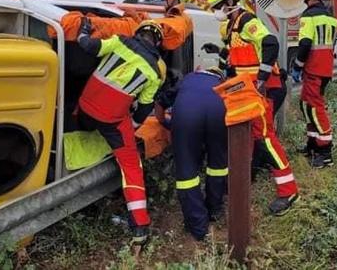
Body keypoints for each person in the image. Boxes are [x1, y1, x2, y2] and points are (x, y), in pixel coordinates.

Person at [207, 0, 299, 215]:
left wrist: (261, 77)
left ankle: (289, 190)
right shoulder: (230, 27)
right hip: (248, 90)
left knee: (265, 138)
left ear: (230, 3)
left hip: (266, 89)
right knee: (249, 135)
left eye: (218, 6)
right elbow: (237, 57)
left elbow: (270, 43)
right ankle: (246, 177)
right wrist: (219, 55)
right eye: (214, 7)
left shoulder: (248, 21)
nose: (216, 10)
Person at [76, 18, 166, 243]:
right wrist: (133, 127)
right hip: (112, 120)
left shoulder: (119, 41)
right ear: (157, 43)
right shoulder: (154, 74)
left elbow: (88, 46)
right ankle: (140, 227)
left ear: (139, 33)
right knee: (132, 167)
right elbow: (144, 108)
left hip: (84, 106)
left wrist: (83, 31)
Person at [159, 67, 228, 241]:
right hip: (219, 112)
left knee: (187, 170)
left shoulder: (188, 78)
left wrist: (167, 123)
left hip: (187, 115)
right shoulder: (223, 84)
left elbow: (161, 103)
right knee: (218, 165)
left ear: (200, 70)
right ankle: (214, 209)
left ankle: (198, 227)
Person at [291, 0, 337, 168]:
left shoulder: (308, 17)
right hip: (325, 68)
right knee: (306, 105)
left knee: (315, 108)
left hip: (313, 69)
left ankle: (325, 151)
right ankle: (312, 144)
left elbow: (305, 44)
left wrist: (298, 65)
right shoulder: (331, 18)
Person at [202, 20, 288, 117]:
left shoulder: (247, 47)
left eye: (227, 40)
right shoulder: (245, 46)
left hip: (271, 89)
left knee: (264, 123)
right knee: (261, 123)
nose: (228, 44)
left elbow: (231, 71)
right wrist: (218, 50)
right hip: (270, 87)